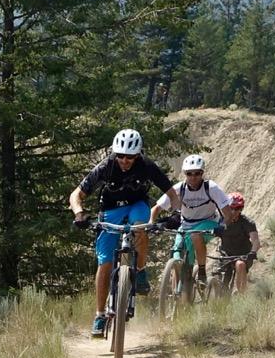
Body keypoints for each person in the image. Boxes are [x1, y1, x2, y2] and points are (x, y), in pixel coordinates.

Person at [70, 128, 175, 338]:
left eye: (130, 157)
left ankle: (141, 270)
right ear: (114, 153)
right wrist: (79, 213)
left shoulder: (147, 166)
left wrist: (177, 213)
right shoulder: (106, 166)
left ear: (138, 155)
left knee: (140, 227)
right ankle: (100, 315)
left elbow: (172, 193)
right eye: (120, 156)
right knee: (105, 262)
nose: (124, 161)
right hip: (110, 209)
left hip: (137, 204)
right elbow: (76, 195)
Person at [150, 154, 232, 289]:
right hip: (186, 224)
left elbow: (228, 213)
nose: (193, 177)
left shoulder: (211, 188)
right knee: (176, 253)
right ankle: (179, 289)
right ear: (185, 174)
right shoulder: (178, 189)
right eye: (189, 174)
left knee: (196, 235)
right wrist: (151, 223)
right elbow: (156, 208)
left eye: (197, 173)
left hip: (208, 222)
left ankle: (201, 272)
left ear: (202, 173)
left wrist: (222, 226)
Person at [214, 193, 260, 293]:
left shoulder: (247, 223)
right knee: (220, 279)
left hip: (243, 255)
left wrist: (253, 252)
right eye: (231, 208)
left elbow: (255, 240)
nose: (234, 211)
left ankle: (241, 295)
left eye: (238, 208)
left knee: (240, 265)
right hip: (225, 254)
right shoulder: (220, 221)